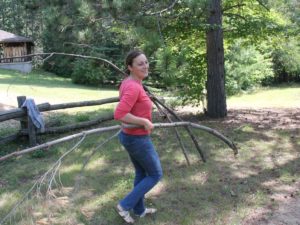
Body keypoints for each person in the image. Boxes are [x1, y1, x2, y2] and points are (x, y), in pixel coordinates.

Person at [114, 50, 163, 224]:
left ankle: (139, 209)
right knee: (156, 174)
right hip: (137, 139)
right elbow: (119, 113)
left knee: (142, 173)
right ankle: (124, 205)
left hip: (130, 136)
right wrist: (143, 121)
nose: (145, 66)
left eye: (146, 62)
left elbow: (129, 109)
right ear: (130, 67)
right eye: (140, 64)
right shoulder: (133, 86)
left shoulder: (130, 82)